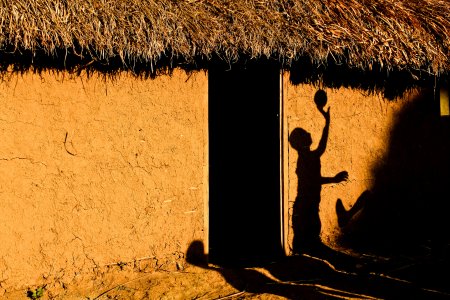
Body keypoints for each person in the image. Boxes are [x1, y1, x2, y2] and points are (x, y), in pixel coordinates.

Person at [289, 90, 348, 254]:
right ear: (300, 143)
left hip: (308, 207)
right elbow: (314, 181)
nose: (308, 133)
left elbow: (321, 147)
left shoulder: (309, 156)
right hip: (305, 208)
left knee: (308, 244)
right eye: (303, 133)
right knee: (308, 246)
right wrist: (334, 179)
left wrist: (327, 121)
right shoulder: (305, 159)